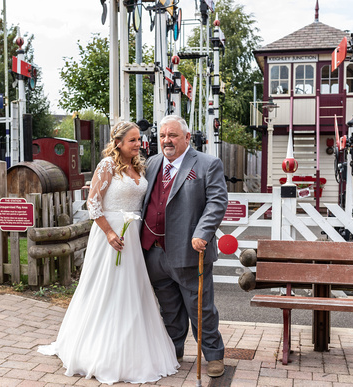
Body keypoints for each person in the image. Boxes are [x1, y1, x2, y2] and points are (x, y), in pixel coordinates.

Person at [38, 121, 179, 384]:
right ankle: (98, 348)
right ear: (118, 143)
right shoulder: (107, 166)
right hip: (110, 234)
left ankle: (134, 348)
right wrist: (110, 232)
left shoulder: (139, 166)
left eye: (139, 140)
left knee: (133, 290)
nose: (138, 144)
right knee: (106, 288)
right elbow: (93, 203)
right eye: (132, 141)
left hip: (133, 235)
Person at [141, 115, 228, 378]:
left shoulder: (207, 164)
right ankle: (173, 351)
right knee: (169, 307)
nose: (167, 140)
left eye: (173, 135)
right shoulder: (152, 163)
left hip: (191, 252)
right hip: (154, 250)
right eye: (163, 136)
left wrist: (203, 232)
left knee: (200, 308)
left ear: (187, 138)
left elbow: (217, 202)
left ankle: (213, 355)